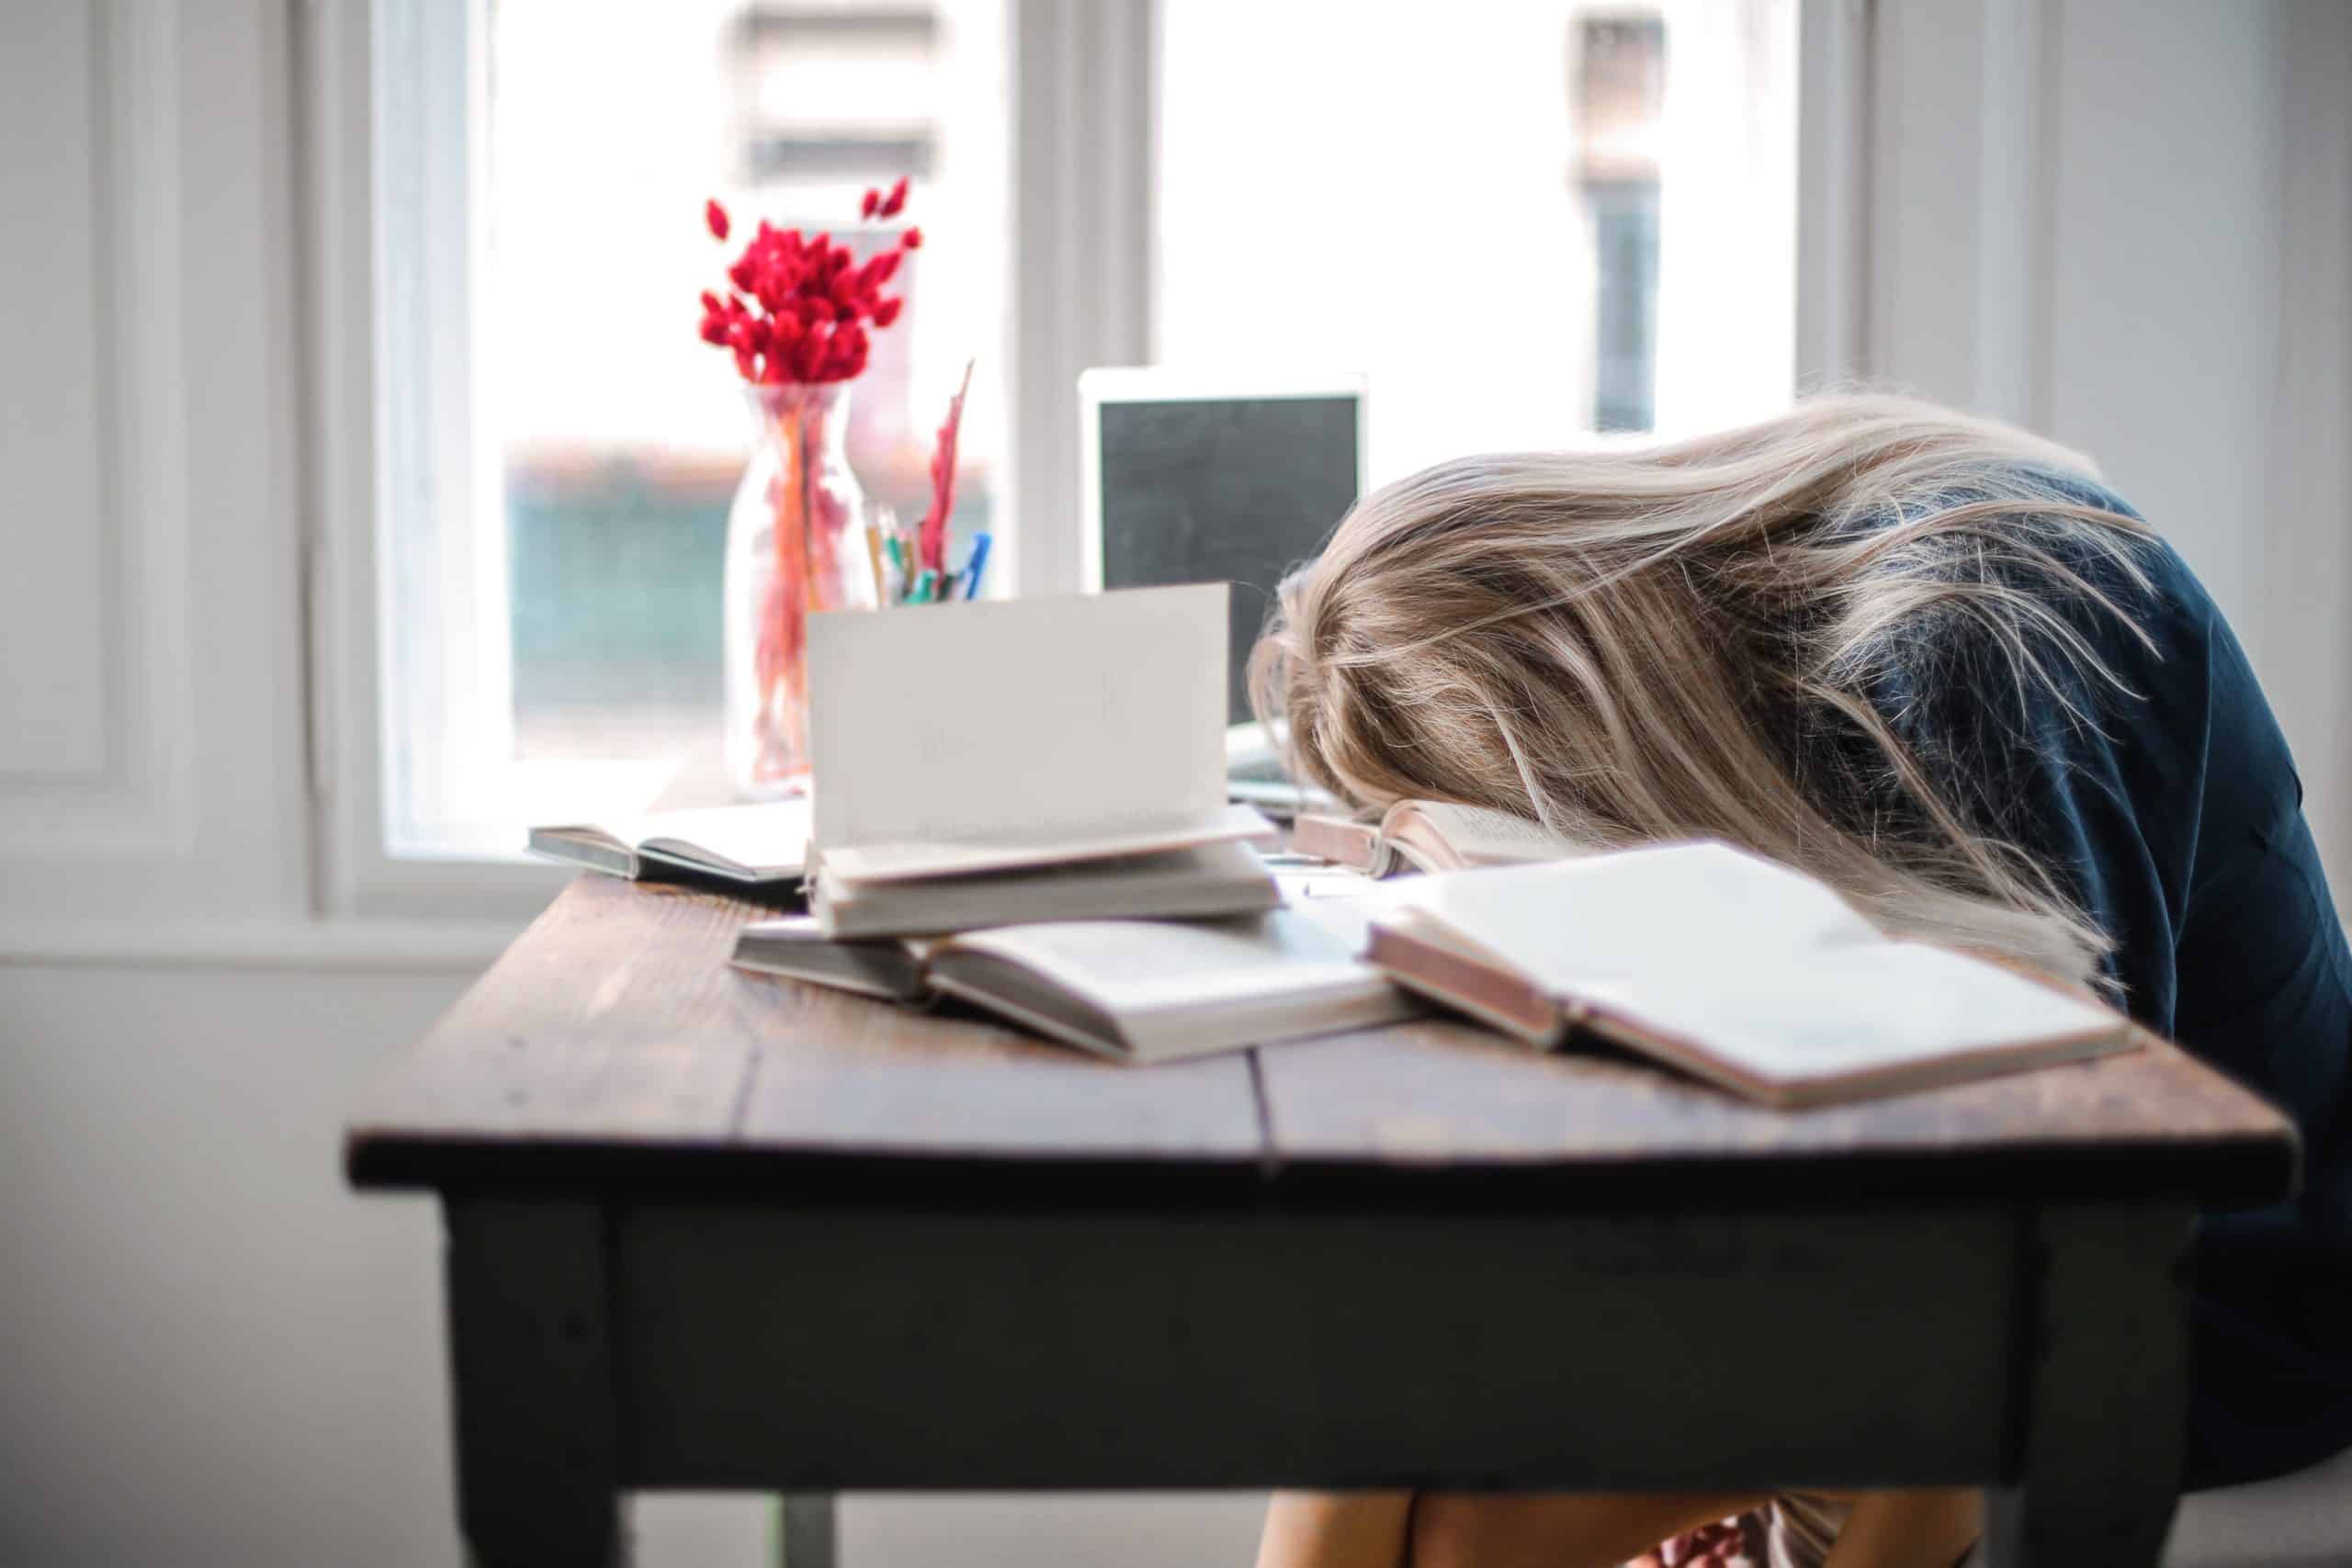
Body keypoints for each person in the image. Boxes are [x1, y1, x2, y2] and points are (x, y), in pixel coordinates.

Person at [1245, 394, 2352, 1568]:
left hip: (2226, 1319)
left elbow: (2044, 1270)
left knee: (1450, 1511)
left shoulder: (1971, 638)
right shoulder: (1821, 596)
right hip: (1968, 1256)